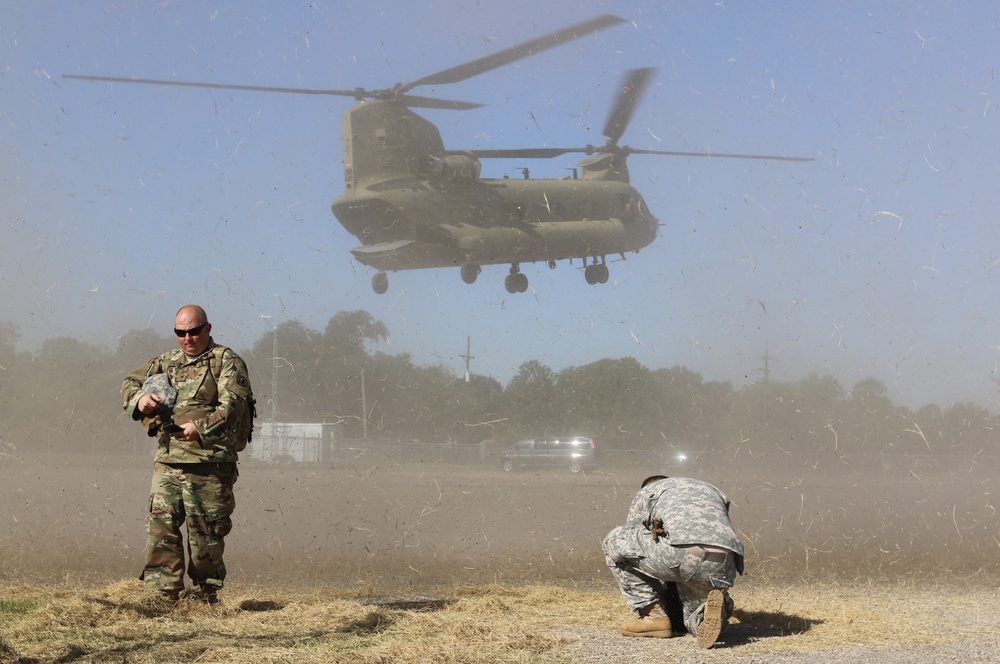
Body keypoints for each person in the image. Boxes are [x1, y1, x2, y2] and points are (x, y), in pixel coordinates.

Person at [122, 305, 253, 604]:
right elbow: (130, 382)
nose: (188, 338)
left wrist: (200, 428)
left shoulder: (226, 362)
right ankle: (161, 596)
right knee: (161, 527)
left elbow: (232, 407)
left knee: (205, 535)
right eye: (181, 333)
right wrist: (140, 398)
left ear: (208, 328)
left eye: (194, 331)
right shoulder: (166, 361)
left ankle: (205, 596)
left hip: (209, 464)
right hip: (168, 460)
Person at [602, 475, 744, 649]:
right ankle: (705, 616)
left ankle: (653, 616)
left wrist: (658, 594)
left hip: (684, 554)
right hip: (725, 562)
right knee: (693, 616)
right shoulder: (712, 490)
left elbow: (634, 533)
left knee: (616, 540)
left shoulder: (648, 492)